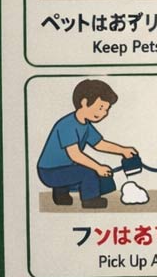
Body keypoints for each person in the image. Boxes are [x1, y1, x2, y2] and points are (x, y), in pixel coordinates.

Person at [36, 78, 137, 209]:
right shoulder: (67, 125)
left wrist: (123, 150)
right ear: (84, 102)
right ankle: (90, 200)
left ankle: (61, 193)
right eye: (100, 108)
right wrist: (98, 167)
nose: (103, 113)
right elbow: (75, 155)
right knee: (89, 173)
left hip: (63, 169)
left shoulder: (86, 125)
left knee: (101, 178)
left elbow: (99, 144)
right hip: (49, 172)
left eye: (106, 109)